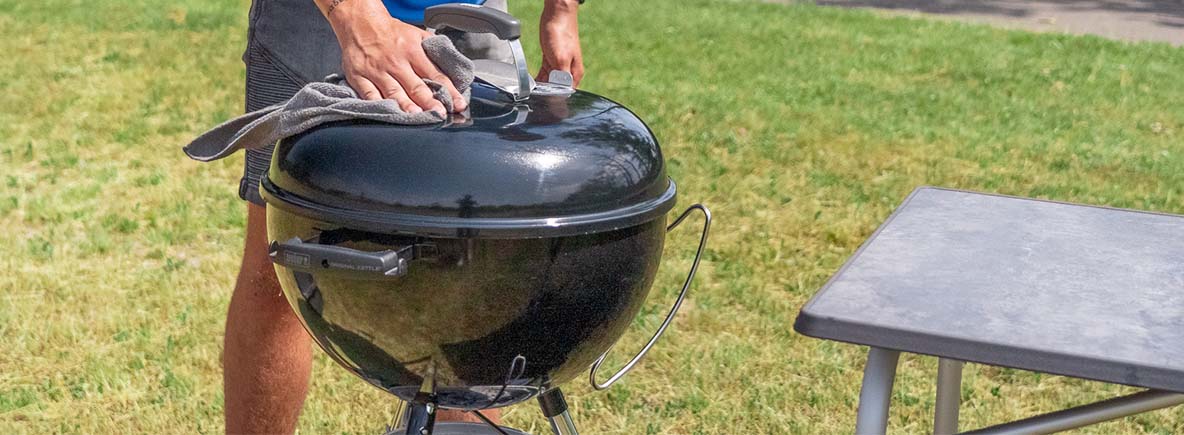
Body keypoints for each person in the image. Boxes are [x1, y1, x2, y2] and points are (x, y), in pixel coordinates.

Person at [221, 0, 585, 432]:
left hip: (477, 14)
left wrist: (562, 9)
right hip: (319, 16)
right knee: (283, 256)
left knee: (478, 258)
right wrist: (356, 19)